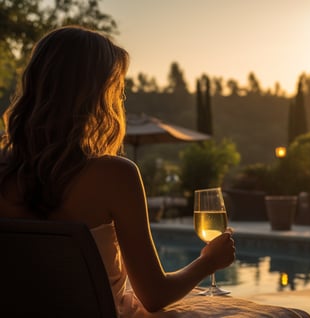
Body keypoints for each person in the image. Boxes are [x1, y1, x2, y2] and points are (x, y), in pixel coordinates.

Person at [0, 25, 236, 315]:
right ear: (95, 96)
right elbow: (154, 294)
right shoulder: (115, 176)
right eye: (114, 89)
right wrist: (209, 261)